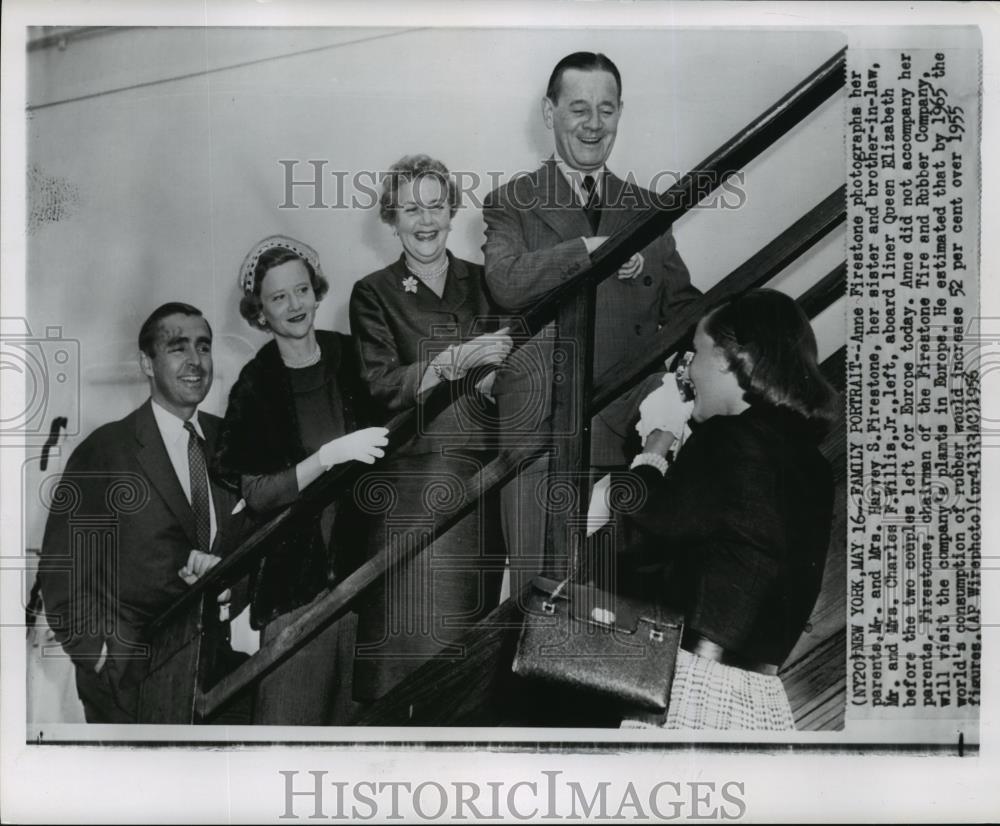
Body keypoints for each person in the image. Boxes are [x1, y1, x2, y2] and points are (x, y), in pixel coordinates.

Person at [482, 51, 701, 584]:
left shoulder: (651, 208)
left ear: (621, 113)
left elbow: (683, 304)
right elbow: (505, 281)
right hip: (544, 428)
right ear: (549, 112)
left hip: (629, 425)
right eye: (578, 108)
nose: (593, 124)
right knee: (538, 597)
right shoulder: (511, 202)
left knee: (619, 598)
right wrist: (588, 249)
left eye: (606, 109)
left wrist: (703, 347)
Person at [613, 289, 837, 729]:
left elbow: (635, 541)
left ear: (726, 357)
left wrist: (652, 455)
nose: (688, 368)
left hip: (696, 687)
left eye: (695, 351)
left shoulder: (728, 440)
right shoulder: (813, 464)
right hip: (760, 698)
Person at [349, 154, 512, 703]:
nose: (424, 221)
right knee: (406, 674)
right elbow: (381, 386)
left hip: (480, 488)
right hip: (411, 497)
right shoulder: (373, 291)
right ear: (391, 219)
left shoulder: (485, 282)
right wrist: (458, 360)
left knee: (470, 669)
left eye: (435, 206)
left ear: (451, 211)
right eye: (409, 208)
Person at [38, 302, 250, 724]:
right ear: (146, 363)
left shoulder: (233, 441)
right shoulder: (106, 451)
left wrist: (229, 590)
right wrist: (101, 658)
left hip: (213, 678)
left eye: (204, 347)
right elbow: (61, 572)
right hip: (125, 687)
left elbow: (247, 544)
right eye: (178, 348)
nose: (195, 362)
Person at [213, 235, 388, 725]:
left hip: (364, 579)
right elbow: (258, 493)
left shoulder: (353, 357)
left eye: (301, 290)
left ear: (316, 292)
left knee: (354, 741)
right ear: (259, 313)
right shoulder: (255, 385)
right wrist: (325, 459)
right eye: (278, 297)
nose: (294, 305)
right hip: (295, 587)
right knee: (285, 729)